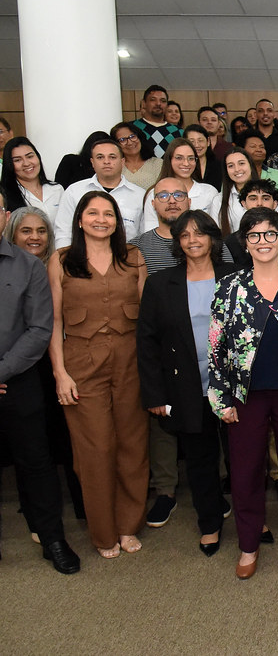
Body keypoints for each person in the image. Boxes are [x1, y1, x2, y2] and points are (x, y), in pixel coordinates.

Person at [207, 206, 278, 579]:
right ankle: (248, 545)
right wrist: (220, 398)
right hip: (245, 396)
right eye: (254, 235)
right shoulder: (228, 287)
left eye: (270, 233)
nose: (263, 241)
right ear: (245, 242)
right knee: (244, 472)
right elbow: (216, 346)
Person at [47, 191, 149, 559]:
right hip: (81, 366)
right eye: (93, 213)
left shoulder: (134, 258)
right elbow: (54, 323)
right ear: (79, 220)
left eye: (109, 214)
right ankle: (103, 533)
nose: (101, 219)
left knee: (132, 446)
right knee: (95, 449)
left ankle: (127, 526)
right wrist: (60, 373)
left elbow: (149, 321)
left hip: (130, 362)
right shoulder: (60, 262)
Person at [137, 210, 235, 556]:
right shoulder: (161, 283)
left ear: (212, 237)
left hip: (234, 385)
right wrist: (154, 394)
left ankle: (254, 520)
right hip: (186, 386)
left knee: (241, 457)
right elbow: (147, 343)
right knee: (200, 459)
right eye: (184, 235)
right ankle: (209, 524)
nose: (193, 240)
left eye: (200, 233)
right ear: (177, 243)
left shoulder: (236, 275)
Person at [0, 194, 81, 574]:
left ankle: (52, 539)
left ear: (3, 215)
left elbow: (38, 329)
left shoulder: (28, 266)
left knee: (36, 463)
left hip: (18, 380)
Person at [55, 139, 146, 247]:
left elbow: (145, 235)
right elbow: (64, 232)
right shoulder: (74, 191)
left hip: (127, 259)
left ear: (122, 162)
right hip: (81, 259)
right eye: (100, 157)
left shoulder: (140, 195)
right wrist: (65, 260)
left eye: (112, 157)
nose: (106, 161)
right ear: (92, 162)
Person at [141, 138, 221, 232]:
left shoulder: (209, 192)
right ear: (169, 160)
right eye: (179, 158)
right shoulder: (154, 193)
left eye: (191, 158)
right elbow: (149, 231)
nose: (186, 163)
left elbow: (214, 231)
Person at [218, 148, 278, 233]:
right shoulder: (218, 200)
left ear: (250, 165)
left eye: (241, 163)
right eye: (231, 166)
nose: (237, 169)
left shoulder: (272, 194)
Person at [1, 137, 69, 221]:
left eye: (30, 156)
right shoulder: (5, 196)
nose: (26, 163)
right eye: (18, 160)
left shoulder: (57, 189)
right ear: (9, 165)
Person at [237, 129, 278, 223]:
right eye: (253, 146)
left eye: (262, 147)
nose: (259, 149)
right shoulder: (237, 176)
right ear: (243, 151)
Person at [132, 85, 184, 158]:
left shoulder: (178, 131)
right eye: (153, 100)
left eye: (163, 101)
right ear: (143, 104)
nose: (158, 103)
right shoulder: (131, 128)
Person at [111, 122, 162, 191]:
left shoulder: (158, 163)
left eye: (132, 136)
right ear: (116, 145)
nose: (130, 142)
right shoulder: (114, 166)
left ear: (140, 138)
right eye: (122, 140)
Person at [183, 124, 223, 189]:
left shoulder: (219, 166)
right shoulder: (182, 166)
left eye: (200, 140)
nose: (196, 145)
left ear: (208, 142)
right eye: (192, 141)